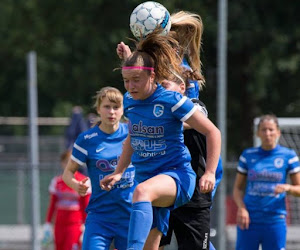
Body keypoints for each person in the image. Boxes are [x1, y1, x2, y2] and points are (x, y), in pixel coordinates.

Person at [101, 30, 221, 250]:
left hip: (177, 177)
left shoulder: (171, 100)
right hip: (148, 179)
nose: (130, 86)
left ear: (153, 76)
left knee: (141, 192)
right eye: (126, 81)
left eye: (136, 80)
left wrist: (210, 172)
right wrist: (118, 171)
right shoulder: (130, 101)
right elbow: (132, 137)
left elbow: (213, 132)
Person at [62, 87, 137, 250]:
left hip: (130, 215)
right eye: (107, 107)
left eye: (116, 107)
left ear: (123, 110)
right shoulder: (87, 140)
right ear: (98, 109)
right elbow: (67, 173)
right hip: (100, 217)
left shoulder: (133, 133)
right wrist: (76, 185)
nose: (112, 112)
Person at [159, 73, 223, 250]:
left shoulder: (195, 106)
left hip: (194, 195)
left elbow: (194, 122)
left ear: (182, 88)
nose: (160, 89)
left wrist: (210, 173)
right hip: (162, 189)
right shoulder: (154, 108)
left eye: (165, 85)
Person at [233, 114, 300, 250]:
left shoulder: (289, 156)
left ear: (278, 132)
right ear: (258, 133)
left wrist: (288, 187)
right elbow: (237, 189)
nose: (267, 133)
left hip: (275, 220)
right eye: (263, 130)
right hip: (249, 219)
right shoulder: (248, 155)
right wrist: (242, 208)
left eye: (271, 129)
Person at [42, 150, 90, 250]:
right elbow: (52, 204)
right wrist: (47, 223)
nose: (68, 165)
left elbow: (85, 205)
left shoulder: (83, 181)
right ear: (62, 163)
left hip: (75, 225)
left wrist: (86, 225)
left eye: (71, 162)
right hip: (59, 224)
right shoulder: (57, 182)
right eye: (65, 162)